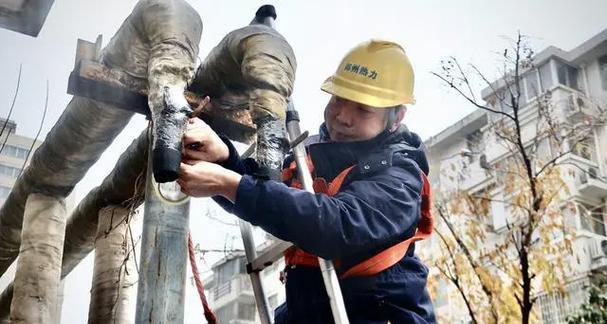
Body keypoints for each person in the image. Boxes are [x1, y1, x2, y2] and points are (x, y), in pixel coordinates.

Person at [178, 40, 436, 323]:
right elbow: (272, 196)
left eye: (363, 109)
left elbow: (338, 224)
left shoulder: (399, 176)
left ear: (396, 117)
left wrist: (229, 184)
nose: (342, 117)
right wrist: (223, 157)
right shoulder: (311, 158)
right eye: (338, 99)